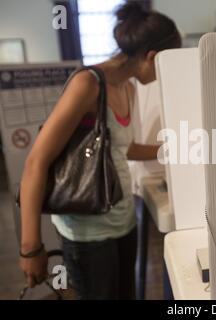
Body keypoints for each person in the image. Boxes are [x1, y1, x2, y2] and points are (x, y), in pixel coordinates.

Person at [19, 2, 181, 300]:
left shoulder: (129, 88)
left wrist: (173, 150)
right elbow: (36, 163)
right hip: (86, 234)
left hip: (122, 221)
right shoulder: (87, 85)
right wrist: (31, 248)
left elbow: (123, 147)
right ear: (152, 57)